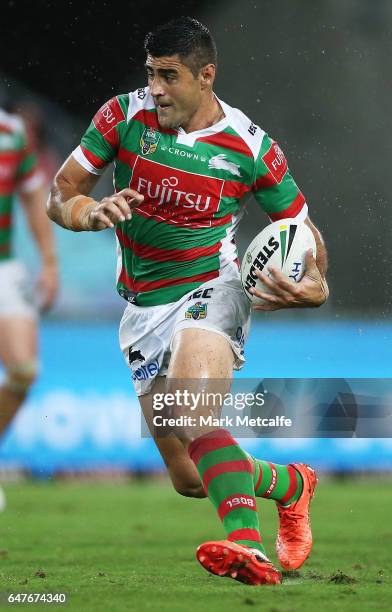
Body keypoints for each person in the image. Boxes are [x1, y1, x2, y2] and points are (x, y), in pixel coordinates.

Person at [48, 17, 328, 586]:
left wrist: (316, 284)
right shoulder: (124, 116)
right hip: (143, 306)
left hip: (213, 287)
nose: (155, 87)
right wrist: (88, 213)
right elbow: (63, 194)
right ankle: (292, 485)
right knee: (188, 474)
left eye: (169, 76)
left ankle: (248, 548)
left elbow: (302, 228)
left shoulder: (250, 148)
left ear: (206, 76)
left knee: (195, 414)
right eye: (151, 73)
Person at [0, 105, 58, 504]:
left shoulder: (11, 132)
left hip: (4, 266)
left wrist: (50, 262)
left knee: (23, 369)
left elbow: (33, 195)